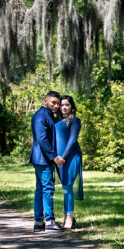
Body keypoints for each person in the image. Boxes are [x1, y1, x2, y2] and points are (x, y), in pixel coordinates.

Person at [30, 90, 65, 232]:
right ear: (45, 101)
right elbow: (42, 139)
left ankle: (39, 223)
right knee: (48, 189)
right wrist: (55, 157)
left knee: (40, 189)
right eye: (53, 103)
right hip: (43, 159)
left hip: (42, 158)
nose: (56, 106)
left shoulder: (49, 116)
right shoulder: (40, 116)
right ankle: (49, 221)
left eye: (58, 103)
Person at [54, 95, 84, 230]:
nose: (64, 107)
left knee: (68, 187)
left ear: (72, 107)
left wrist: (62, 157)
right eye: (62, 105)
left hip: (70, 157)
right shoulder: (57, 121)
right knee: (65, 188)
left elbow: (72, 140)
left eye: (67, 105)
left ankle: (69, 218)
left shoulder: (75, 121)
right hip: (59, 158)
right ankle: (66, 216)